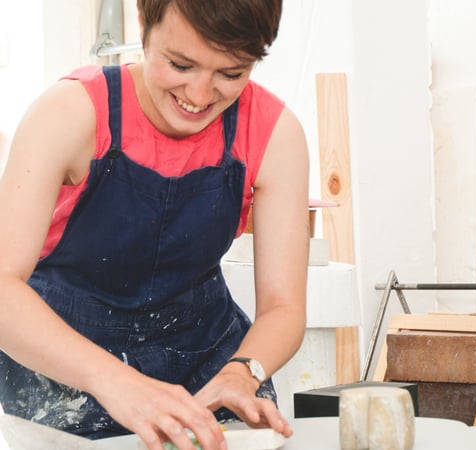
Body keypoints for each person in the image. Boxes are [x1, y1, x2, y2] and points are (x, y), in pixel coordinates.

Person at [0, 0, 309, 449]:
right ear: (143, 23)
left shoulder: (274, 132)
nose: (200, 96)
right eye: (180, 64)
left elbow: (284, 307)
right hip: (64, 375)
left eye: (231, 73)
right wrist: (117, 382)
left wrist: (243, 371)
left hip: (207, 373)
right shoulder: (70, 113)